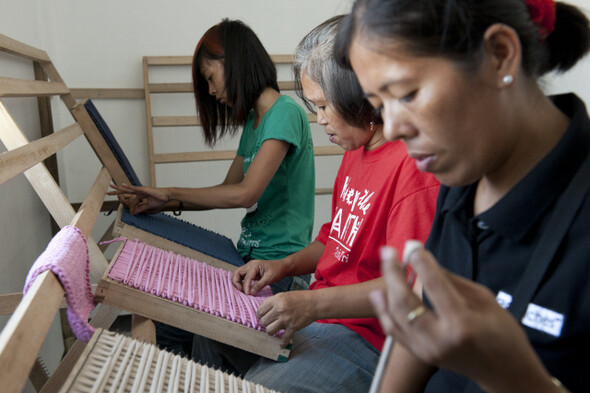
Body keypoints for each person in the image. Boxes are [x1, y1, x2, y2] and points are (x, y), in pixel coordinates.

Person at [335, 0, 590, 392]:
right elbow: (420, 320)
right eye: (378, 106)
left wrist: (513, 376)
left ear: (500, 55)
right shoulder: (460, 173)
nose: (393, 127)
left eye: (406, 94)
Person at [221, 15, 439, 393]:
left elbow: (410, 290)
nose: (319, 120)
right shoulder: (356, 150)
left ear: (362, 96)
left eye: (324, 106)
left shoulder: (414, 169)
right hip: (324, 318)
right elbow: (333, 240)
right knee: (211, 338)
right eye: (314, 106)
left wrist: (312, 305)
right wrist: (281, 266)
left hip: (368, 339)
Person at [109, 19, 315, 354]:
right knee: (167, 327)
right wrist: (164, 204)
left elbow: (245, 194)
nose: (211, 91)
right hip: (248, 262)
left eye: (210, 77)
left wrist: (170, 193)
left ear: (233, 63)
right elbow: (226, 189)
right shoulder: (255, 121)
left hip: (280, 271)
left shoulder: (285, 112)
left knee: (207, 339)